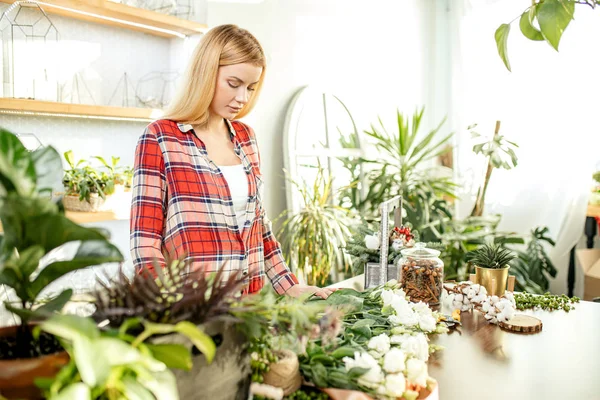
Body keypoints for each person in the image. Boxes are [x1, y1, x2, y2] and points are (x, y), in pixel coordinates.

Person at [130, 24, 334, 299]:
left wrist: (290, 286)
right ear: (206, 73)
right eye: (233, 84)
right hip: (192, 309)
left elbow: (258, 226)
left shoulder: (245, 138)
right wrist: (168, 301)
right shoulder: (161, 138)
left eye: (250, 87)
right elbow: (145, 242)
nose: (242, 98)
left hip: (251, 307)